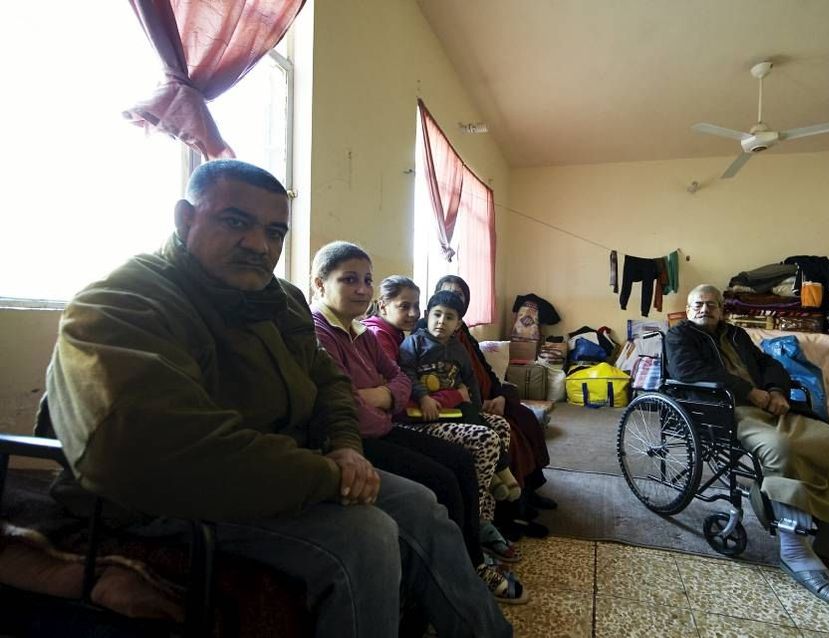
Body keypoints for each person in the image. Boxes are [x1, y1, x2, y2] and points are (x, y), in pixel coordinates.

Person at [42, 159, 512, 637]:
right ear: (185, 219)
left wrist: (347, 447)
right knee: (365, 536)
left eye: (274, 231)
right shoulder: (122, 303)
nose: (258, 244)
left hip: (286, 470)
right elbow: (166, 451)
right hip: (163, 498)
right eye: (235, 222)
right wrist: (330, 475)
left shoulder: (278, 298)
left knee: (418, 503)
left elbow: (329, 382)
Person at [309, 240, 527, 603]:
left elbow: (396, 377)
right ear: (319, 284)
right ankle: (467, 569)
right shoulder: (320, 333)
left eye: (366, 279)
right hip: (359, 440)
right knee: (441, 478)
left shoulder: (360, 332)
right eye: (349, 280)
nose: (362, 289)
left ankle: (474, 550)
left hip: (386, 426)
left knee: (459, 460)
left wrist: (381, 394)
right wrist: (388, 396)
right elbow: (344, 403)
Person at [665, 283, 829, 611]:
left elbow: (767, 365)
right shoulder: (680, 337)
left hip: (766, 404)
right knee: (782, 449)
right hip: (724, 411)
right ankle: (793, 550)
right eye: (697, 305)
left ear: (722, 309)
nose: (705, 310)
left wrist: (775, 390)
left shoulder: (735, 334)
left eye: (711, 305)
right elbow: (690, 372)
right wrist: (750, 393)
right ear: (689, 310)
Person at [365, 280, 523, 563]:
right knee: (485, 438)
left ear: (459, 323)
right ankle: (473, 526)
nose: (414, 314)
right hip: (411, 418)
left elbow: (470, 379)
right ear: (383, 304)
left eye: (416, 307)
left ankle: (483, 520)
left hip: (437, 409)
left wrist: (470, 400)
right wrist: (453, 396)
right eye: (406, 306)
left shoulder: (433, 341)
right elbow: (403, 388)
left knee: (500, 425)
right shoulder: (389, 338)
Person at [433, 275, 557, 536]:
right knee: (512, 434)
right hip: (469, 405)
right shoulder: (435, 332)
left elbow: (486, 370)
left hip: (490, 396)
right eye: (449, 292)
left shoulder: (463, 330)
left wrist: (499, 395)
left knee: (526, 417)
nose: (455, 297)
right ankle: (513, 510)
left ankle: (530, 490)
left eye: (460, 294)